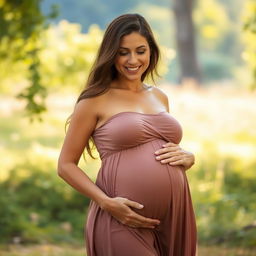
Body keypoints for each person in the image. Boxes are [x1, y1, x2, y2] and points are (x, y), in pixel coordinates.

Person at [57, 13, 197, 256]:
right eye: (123, 52)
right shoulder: (94, 100)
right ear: (111, 54)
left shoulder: (159, 96)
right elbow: (65, 165)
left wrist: (188, 157)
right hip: (120, 217)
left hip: (174, 213)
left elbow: (162, 149)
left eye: (140, 50)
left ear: (151, 51)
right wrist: (106, 202)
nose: (133, 60)